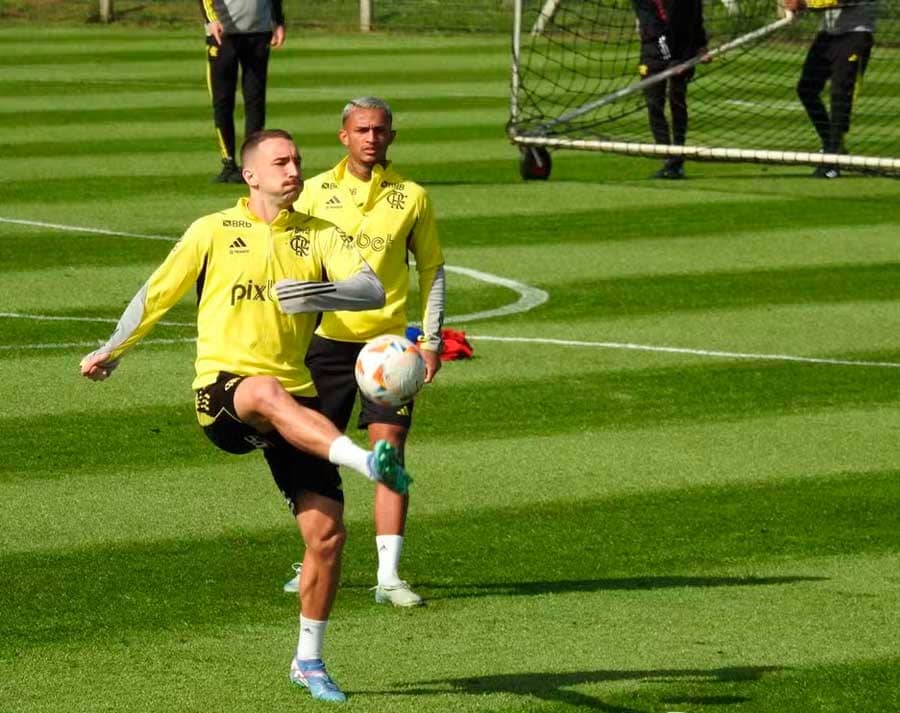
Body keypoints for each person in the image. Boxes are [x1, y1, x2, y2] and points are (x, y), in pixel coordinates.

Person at [80, 129, 412, 703]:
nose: (293, 169)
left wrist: (312, 295)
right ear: (251, 174)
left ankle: (308, 661)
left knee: (327, 535)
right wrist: (114, 347)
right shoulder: (212, 230)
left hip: (296, 397)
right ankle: (367, 461)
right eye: (280, 162)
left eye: (298, 161)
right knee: (261, 389)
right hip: (224, 390)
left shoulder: (319, 235)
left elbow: (370, 289)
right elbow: (157, 292)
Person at [283, 97, 445, 608]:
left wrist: (433, 340)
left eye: (379, 130)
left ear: (391, 136)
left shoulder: (412, 197)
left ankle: (389, 576)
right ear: (343, 136)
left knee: (389, 453)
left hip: (389, 348)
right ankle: (313, 553)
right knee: (314, 452)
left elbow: (432, 270)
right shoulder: (311, 193)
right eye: (361, 130)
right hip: (325, 342)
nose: (371, 137)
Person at [786, 0, 876, 179]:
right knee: (806, 89)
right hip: (828, 34)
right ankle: (832, 144)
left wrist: (805, 3)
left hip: (856, 34)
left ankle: (832, 161)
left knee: (840, 94)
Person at [201, 0, 286, 183]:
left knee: (255, 100)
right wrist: (211, 19)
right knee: (223, 102)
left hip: (259, 32)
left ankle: (252, 163)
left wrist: (278, 21)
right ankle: (229, 163)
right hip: (222, 35)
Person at [631, 0, 708, 179]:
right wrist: (671, 61)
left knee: (677, 101)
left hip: (683, 54)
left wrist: (701, 46)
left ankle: (677, 158)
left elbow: (695, 20)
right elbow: (654, 29)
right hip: (654, 56)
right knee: (654, 105)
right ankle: (668, 159)